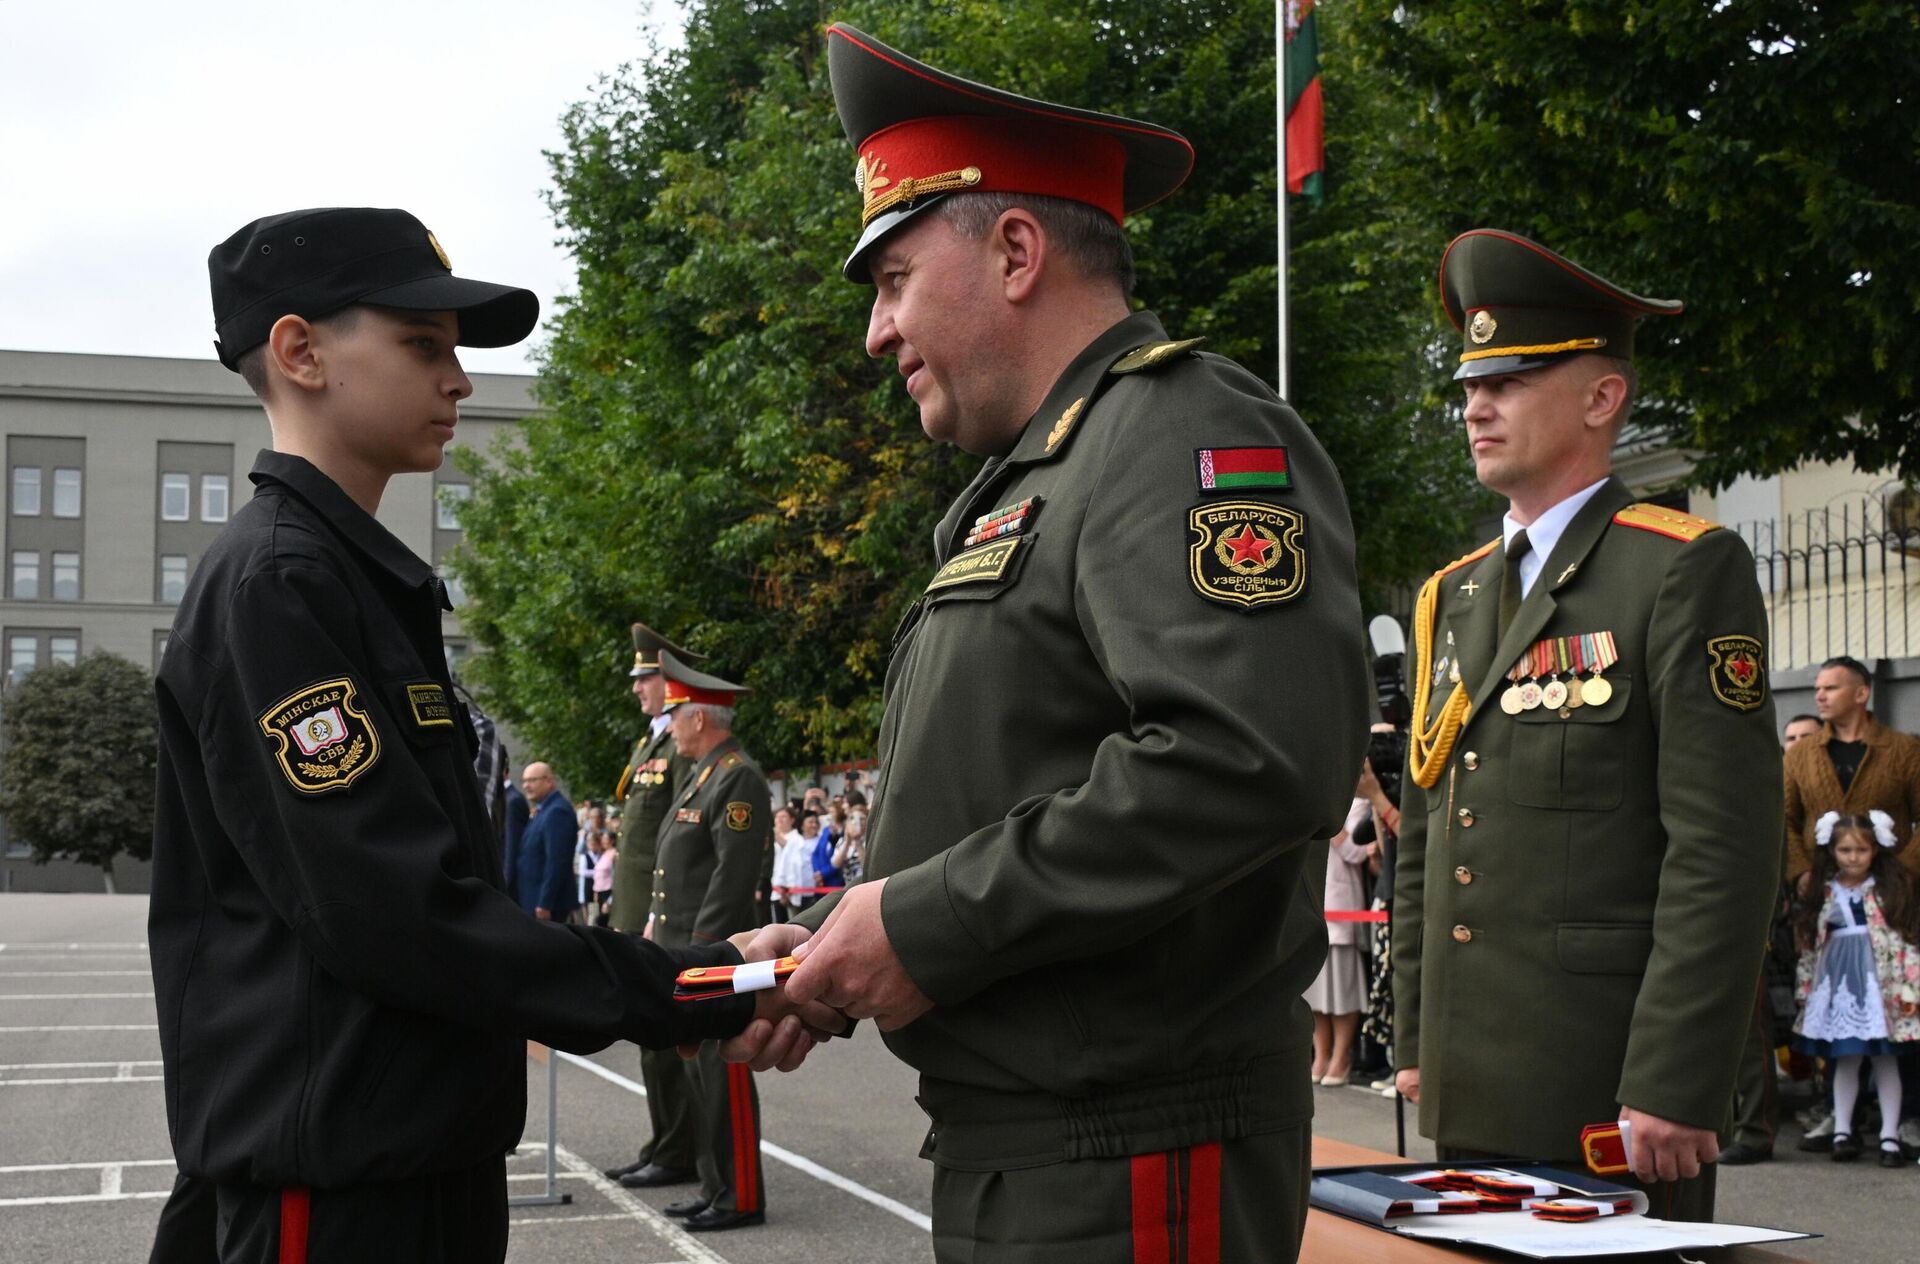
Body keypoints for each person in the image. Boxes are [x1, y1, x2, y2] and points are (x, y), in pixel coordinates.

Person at [727, 26, 1369, 1263]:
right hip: (1037, 1144)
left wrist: (925, 926)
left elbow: (1241, 759)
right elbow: (1016, 786)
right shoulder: (1046, 474)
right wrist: (854, 940)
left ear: (1016, 250)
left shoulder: (1181, 431)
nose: (876, 330)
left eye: (893, 277)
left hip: (1130, 1156)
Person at [146, 206, 833, 1264]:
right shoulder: (281, 583)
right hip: (337, 1191)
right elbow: (398, 913)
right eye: (423, 345)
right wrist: (696, 983)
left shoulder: (348, 580)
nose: (458, 378)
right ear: (299, 350)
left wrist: (706, 978)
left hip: (411, 1158)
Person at [1393, 228, 1782, 1221]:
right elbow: (1432, 828)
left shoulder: (1679, 570)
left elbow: (1723, 849)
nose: (1477, 404)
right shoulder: (1454, 595)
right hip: (1471, 1082)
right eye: (1471, 384)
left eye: (1512, 380)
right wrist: (1415, 1041)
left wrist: (1676, 1075)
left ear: (1602, 398)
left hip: (1610, 1089)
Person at [648, 652, 778, 1233]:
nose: (670, 726)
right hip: (686, 948)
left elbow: (732, 876)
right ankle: (714, 1185)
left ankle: (740, 1194)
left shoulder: (737, 775)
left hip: (714, 953)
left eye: (676, 715)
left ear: (700, 720)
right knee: (699, 1072)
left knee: (722, 1069)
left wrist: (708, 952)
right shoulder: (704, 774)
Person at [603, 622, 708, 1190]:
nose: (638, 689)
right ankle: (664, 1143)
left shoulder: (682, 745)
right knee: (651, 1037)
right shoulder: (651, 741)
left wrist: (656, 914)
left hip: (660, 914)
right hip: (638, 909)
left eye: (646, 679)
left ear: (670, 682)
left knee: (670, 1036)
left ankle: (677, 1150)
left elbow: (680, 834)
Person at [1790, 811, 1920, 1167]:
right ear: (1831, 851)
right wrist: (1807, 989)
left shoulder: (1887, 890)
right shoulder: (1824, 891)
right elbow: (1811, 946)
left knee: (1885, 1058)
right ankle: (1843, 1130)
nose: (1852, 857)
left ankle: (1890, 1136)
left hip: (1880, 985)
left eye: (1861, 850)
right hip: (1838, 984)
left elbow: (1905, 944)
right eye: (1845, 849)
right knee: (1846, 1057)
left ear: (1875, 850)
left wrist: (1910, 991)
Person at [1783, 656, 1920, 889]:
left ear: (1861, 694)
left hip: (1892, 896)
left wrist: (1906, 871)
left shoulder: (1904, 750)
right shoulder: (1800, 755)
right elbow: (1785, 819)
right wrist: (1802, 872)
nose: (1820, 696)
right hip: (1820, 896)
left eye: (1831, 688)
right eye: (1818, 689)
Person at [1309, 794, 1374, 1086]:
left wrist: (1328, 816)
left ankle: (1342, 1055)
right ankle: (1321, 1054)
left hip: (1343, 906)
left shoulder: (1359, 803)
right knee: (1315, 992)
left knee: (1343, 990)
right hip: (1313, 903)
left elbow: (1356, 852)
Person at [515, 762, 578, 922]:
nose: (526, 786)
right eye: (524, 781)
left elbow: (556, 862)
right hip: (533, 900)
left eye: (532, 780)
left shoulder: (557, 811)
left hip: (546, 906)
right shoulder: (543, 810)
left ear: (549, 781)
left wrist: (545, 903)